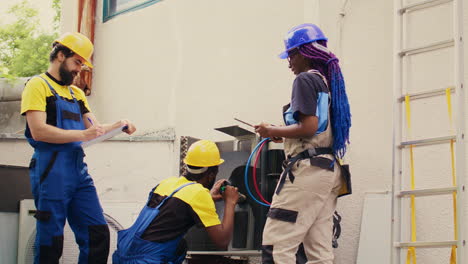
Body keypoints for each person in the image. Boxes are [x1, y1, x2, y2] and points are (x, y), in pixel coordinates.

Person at [21, 32, 136, 263]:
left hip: (78, 172)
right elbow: (38, 131)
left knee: (97, 235)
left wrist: (119, 124)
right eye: (77, 63)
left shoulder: (77, 93)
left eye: (82, 65)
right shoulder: (37, 85)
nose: (78, 70)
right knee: (50, 242)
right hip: (50, 169)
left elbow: (94, 128)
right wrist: (83, 134)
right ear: (61, 55)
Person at [255, 23, 351, 263]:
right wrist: (283, 134)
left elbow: (308, 126)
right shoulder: (325, 82)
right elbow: (315, 128)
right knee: (319, 250)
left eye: (290, 55)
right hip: (327, 170)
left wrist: (271, 129)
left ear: (302, 53)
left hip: (307, 172)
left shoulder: (304, 80)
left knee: (277, 243)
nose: (289, 62)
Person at [113, 139, 240, 263]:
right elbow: (222, 242)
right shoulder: (198, 193)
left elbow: (174, 209)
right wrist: (230, 202)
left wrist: (209, 197)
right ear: (212, 174)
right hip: (148, 259)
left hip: (124, 254)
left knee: (180, 246)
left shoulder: (168, 183)